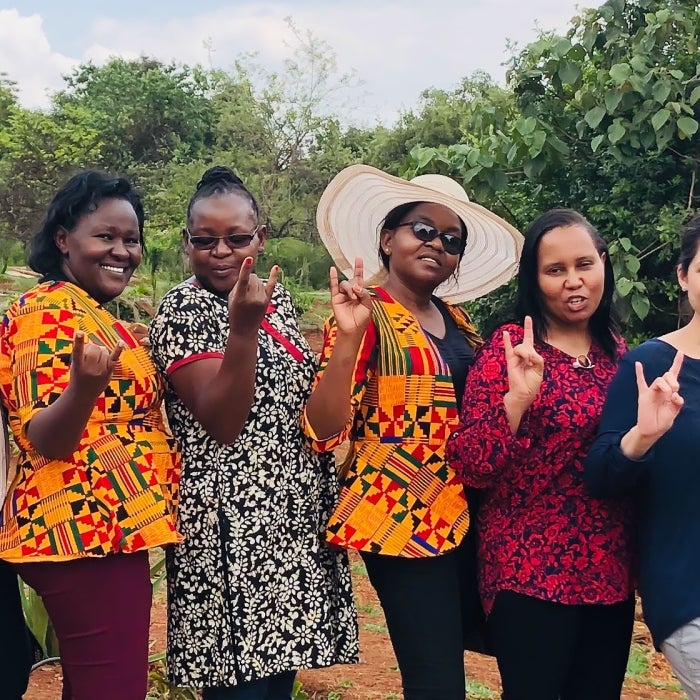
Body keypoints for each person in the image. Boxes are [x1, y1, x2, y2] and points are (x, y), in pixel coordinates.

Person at [303, 164, 523, 700]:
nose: (437, 245)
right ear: (387, 238)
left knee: (483, 649)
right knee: (435, 676)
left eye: (452, 239)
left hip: (467, 506)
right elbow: (322, 429)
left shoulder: (459, 322)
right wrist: (349, 340)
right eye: (422, 229)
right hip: (398, 511)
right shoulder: (364, 313)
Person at [148, 166, 358, 699]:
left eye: (237, 238)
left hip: (288, 516)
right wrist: (242, 329)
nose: (221, 251)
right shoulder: (183, 308)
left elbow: (314, 416)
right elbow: (221, 423)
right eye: (206, 240)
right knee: (236, 686)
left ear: (259, 239)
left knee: (275, 683)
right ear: (186, 242)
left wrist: (349, 342)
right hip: (227, 524)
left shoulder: (277, 301)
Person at [0, 170, 181, 700]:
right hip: (81, 529)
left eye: (131, 239)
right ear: (63, 239)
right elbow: (46, 438)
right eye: (105, 236)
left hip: (107, 527)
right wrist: (83, 388)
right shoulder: (48, 312)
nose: (122, 251)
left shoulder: (89, 313)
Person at [446, 208, 635, 700]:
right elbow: (470, 464)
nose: (573, 282)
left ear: (604, 264)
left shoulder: (617, 350)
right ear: (534, 279)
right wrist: (517, 400)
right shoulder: (509, 348)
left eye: (584, 265)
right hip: (527, 567)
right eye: (555, 270)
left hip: (609, 569)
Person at [585, 212, 700, 699]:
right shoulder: (650, 365)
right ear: (683, 275)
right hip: (690, 593)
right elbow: (602, 477)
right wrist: (643, 436)